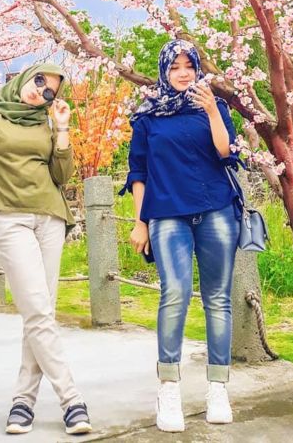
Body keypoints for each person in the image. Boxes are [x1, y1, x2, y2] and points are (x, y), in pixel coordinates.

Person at [0, 64, 93, 436]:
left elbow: (61, 176)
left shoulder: (45, 122)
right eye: (39, 83)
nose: (41, 94)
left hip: (49, 217)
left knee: (41, 311)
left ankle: (23, 402)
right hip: (7, 216)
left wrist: (62, 129)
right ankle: (71, 399)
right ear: (24, 77)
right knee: (37, 308)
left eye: (50, 91)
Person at [124, 39, 240, 432]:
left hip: (216, 210)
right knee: (174, 292)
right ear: (164, 71)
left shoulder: (215, 107)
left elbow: (226, 153)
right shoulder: (147, 116)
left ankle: (218, 387)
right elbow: (137, 174)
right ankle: (169, 386)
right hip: (167, 214)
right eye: (175, 67)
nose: (183, 72)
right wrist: (141, 223)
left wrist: (211, 109)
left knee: (218, 299)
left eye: (189, 65)